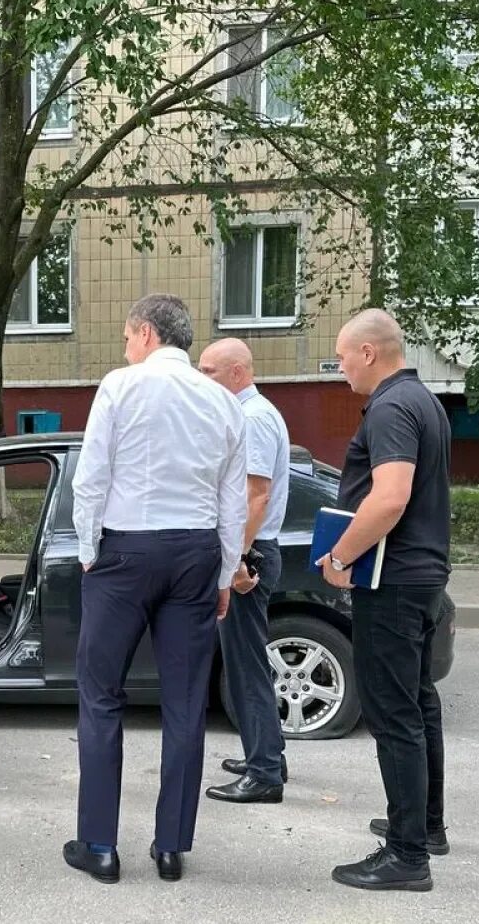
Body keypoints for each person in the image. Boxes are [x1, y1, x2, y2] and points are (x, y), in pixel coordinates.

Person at [64, 294, 247, 884]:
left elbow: (92, 475)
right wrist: (223, 573)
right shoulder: (223, 401)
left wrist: (89, 551)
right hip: (194, 551)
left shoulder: (120, 386)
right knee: (186, 702)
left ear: (145, 333)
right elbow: (232, 499)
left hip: (126, 549)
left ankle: (98, 845)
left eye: (125, 335)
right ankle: (171, 847)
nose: (124, 346)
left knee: (100, 695)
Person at [314, 309, 452, 892]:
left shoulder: (392, 407)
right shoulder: (424, 400)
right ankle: (426, 826)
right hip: (421, 577)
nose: (340, 367)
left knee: (394, 715)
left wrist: (341, 557)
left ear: (369, 352)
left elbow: (389, 498)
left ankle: (406, 856)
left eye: (343, 356)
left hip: (391, 581)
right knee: (418, 704)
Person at [197, 338, 290, 804]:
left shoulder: (252, 419)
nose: (202, 379)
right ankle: (268, 751)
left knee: (245, 668)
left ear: (237, 373)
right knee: (249, 661)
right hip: (254, 550)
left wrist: (235, 560)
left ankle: (264, 774)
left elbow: (256, 497)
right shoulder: (254, 413)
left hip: (250, 555)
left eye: (209, 371)